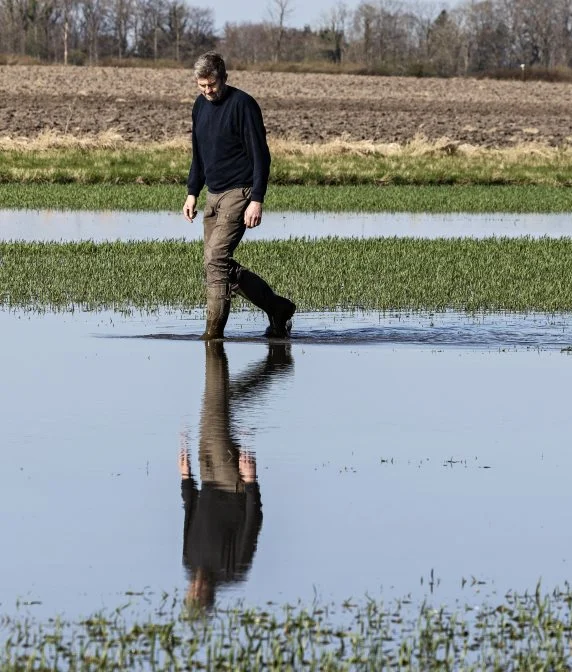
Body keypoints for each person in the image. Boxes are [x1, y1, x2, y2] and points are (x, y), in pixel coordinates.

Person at [182, 51, 295, 340]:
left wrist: (256, 199)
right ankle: (278, 308)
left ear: (224, 78)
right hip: (212, 195)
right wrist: (192, 192)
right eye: (202, 86)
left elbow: (262, 156)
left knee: (216, 259)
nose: (208, 91)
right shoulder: (199, 106)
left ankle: (212, 336)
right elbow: (199, 154)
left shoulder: (243, 105)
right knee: (214, 265)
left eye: (213, 85)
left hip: (240, 191)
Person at [178, 341, 294, 612]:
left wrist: (185, 478)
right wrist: (251, 482)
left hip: (206, 475)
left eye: (191, 592)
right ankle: (269, 363)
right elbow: (254, 520)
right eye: (197, 593)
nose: (194, 586)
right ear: (208, 597)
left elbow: (189, 515)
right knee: (215, 404)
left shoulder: (189, 562)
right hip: (231, 481)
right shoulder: (234, 570)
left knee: (213, 405)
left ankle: (271, 363)